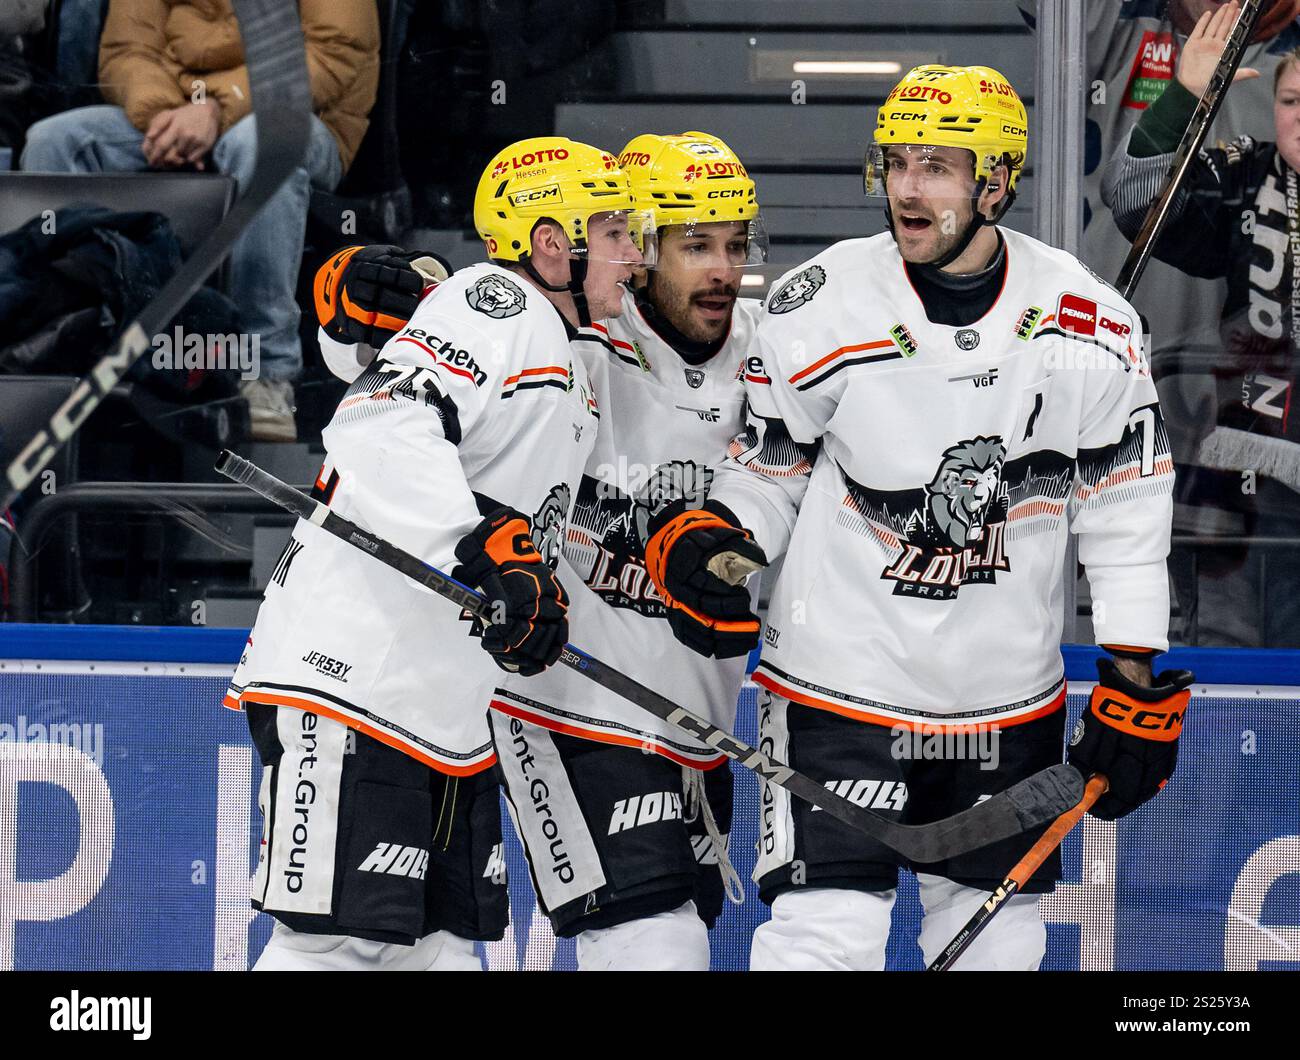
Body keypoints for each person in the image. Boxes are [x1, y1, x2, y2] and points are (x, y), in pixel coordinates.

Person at [642, 65, 1192, 971]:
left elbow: (1126, 512)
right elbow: (767, 469)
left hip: (1006, 698)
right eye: (897, 161)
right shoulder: (818, 303)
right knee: (827, 935)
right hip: (834, 686)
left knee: (999, 944)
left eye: (937, 165)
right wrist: (723, 542)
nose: (907, 186)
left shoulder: (1093, 320)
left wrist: (1131, 673)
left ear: (997, 181)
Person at [313, 132, 769, 970]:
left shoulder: (768, 355)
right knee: (649, 938)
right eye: (693, 243)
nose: (721, 270)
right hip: (565, 702)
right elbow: (406, 373)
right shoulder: (570, 322)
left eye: (736, 244)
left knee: (463, 947)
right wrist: (349, 314)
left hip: (695, 715)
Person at [223, 137, 648, 970]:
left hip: (442, 704)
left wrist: (530, 586)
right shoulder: (500, 300)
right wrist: (484, 544)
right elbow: (382, 421)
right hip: (353, 677)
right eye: (614, 228)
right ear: (551, 243)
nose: (633, 250)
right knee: (332, 946)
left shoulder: (570, 355)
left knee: (444, 950)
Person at [20, 0, 380, 442]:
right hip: (173, 109)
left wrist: (215, 108)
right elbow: (125, 52)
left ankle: (267, 373)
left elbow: (333, 54)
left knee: (259, 143)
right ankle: (58, 349)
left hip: (300, 116)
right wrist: (165, 116)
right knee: (54, 142)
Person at [1103, 3, 1300, 646]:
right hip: (1245, 491)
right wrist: (1186, 98)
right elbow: (1134, 199)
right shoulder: (1250, 176)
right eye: (1293, 100)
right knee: (1230, 676)